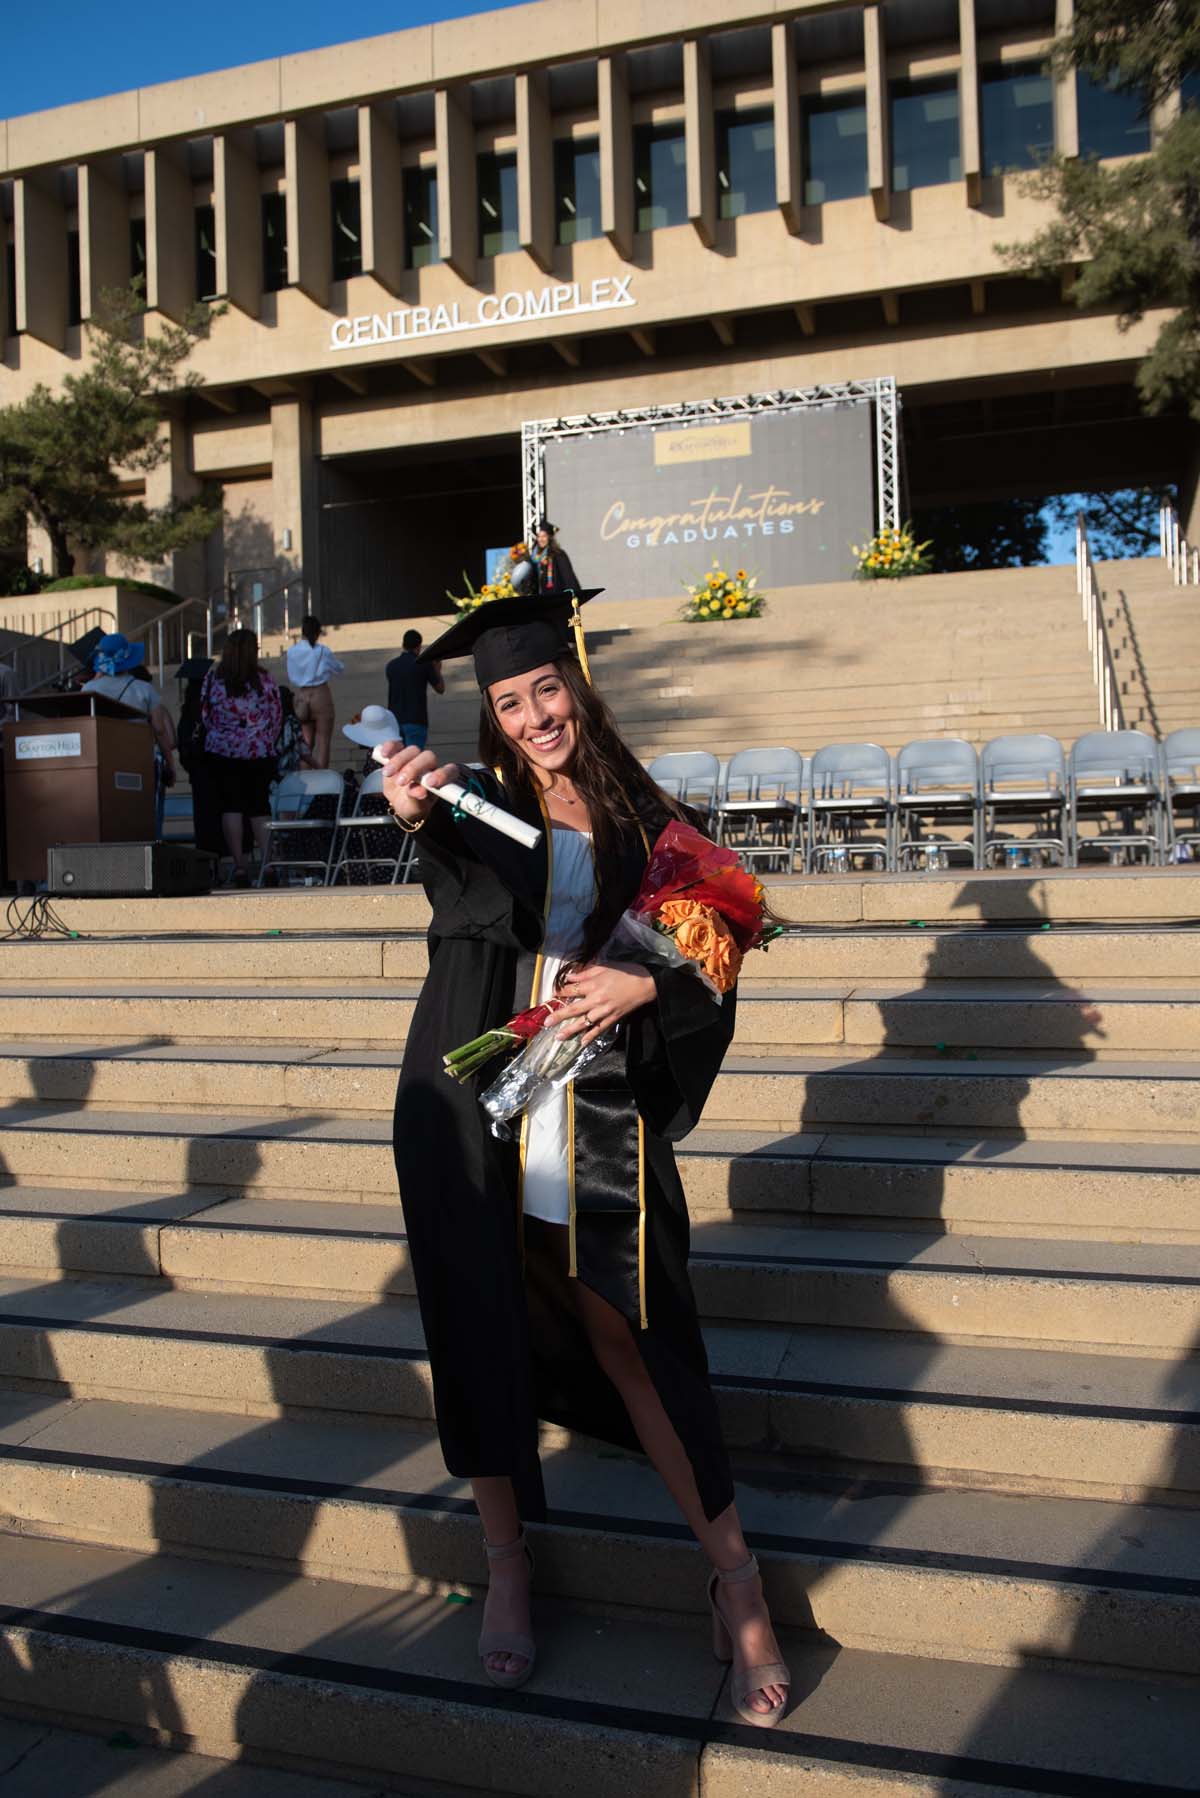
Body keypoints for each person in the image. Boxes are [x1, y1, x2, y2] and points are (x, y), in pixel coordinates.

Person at [381, 594, 789, 1725]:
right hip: (470, 1096)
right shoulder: (473, 800)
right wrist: (416, 815)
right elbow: (466, 913)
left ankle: (735, 1577)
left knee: (633, 1324)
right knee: (477, 1314)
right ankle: (506, 1563)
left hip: (595, 1099)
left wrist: (646, 979)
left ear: (578, 683)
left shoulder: (645, 812)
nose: (531, 715)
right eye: (508, 701)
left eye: (544, 689)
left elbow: (730, 904)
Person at [201, 629, 282, 886]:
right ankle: (268, 865)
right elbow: (276, 714)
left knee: (231, 807)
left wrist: (225, 734)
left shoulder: (214, 678)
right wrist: (264, 737)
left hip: (224, 751)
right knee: (259, 807)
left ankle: (239, 866)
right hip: (258, 751)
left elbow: (205, 714)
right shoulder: (264, 679)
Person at [82, 633, 178, 834]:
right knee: (147, 814)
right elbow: (160, 730)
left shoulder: (89, 689)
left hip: (104, 761)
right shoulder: (144, 689)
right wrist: (170, 764)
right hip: (140, 761)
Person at [286, 614, 344, 770]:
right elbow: (338, 669)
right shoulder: (322, 651)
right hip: (320, 694)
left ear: (302, 631)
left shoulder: (292, 652)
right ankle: (322, 784)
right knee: (323, 741)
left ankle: (305, 780)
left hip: (301, 696)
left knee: (306, 744)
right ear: (318, 632)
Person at [385, 629, 444, 749]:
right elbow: (440, 688)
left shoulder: (391, 666)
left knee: (398, 759)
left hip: (394, 720)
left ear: (403, 645)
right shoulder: (424, 664)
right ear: (419, 646)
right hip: (416, 719)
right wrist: (437, 669)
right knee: (413, 759)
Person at [533, 518, 580, 598]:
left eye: (544, 536)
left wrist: (573, 595)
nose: (541, 539)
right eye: (539, 536)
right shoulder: (535, 557)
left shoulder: (558, 554)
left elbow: (568, 576)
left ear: (549, 538)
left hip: (556, 595)